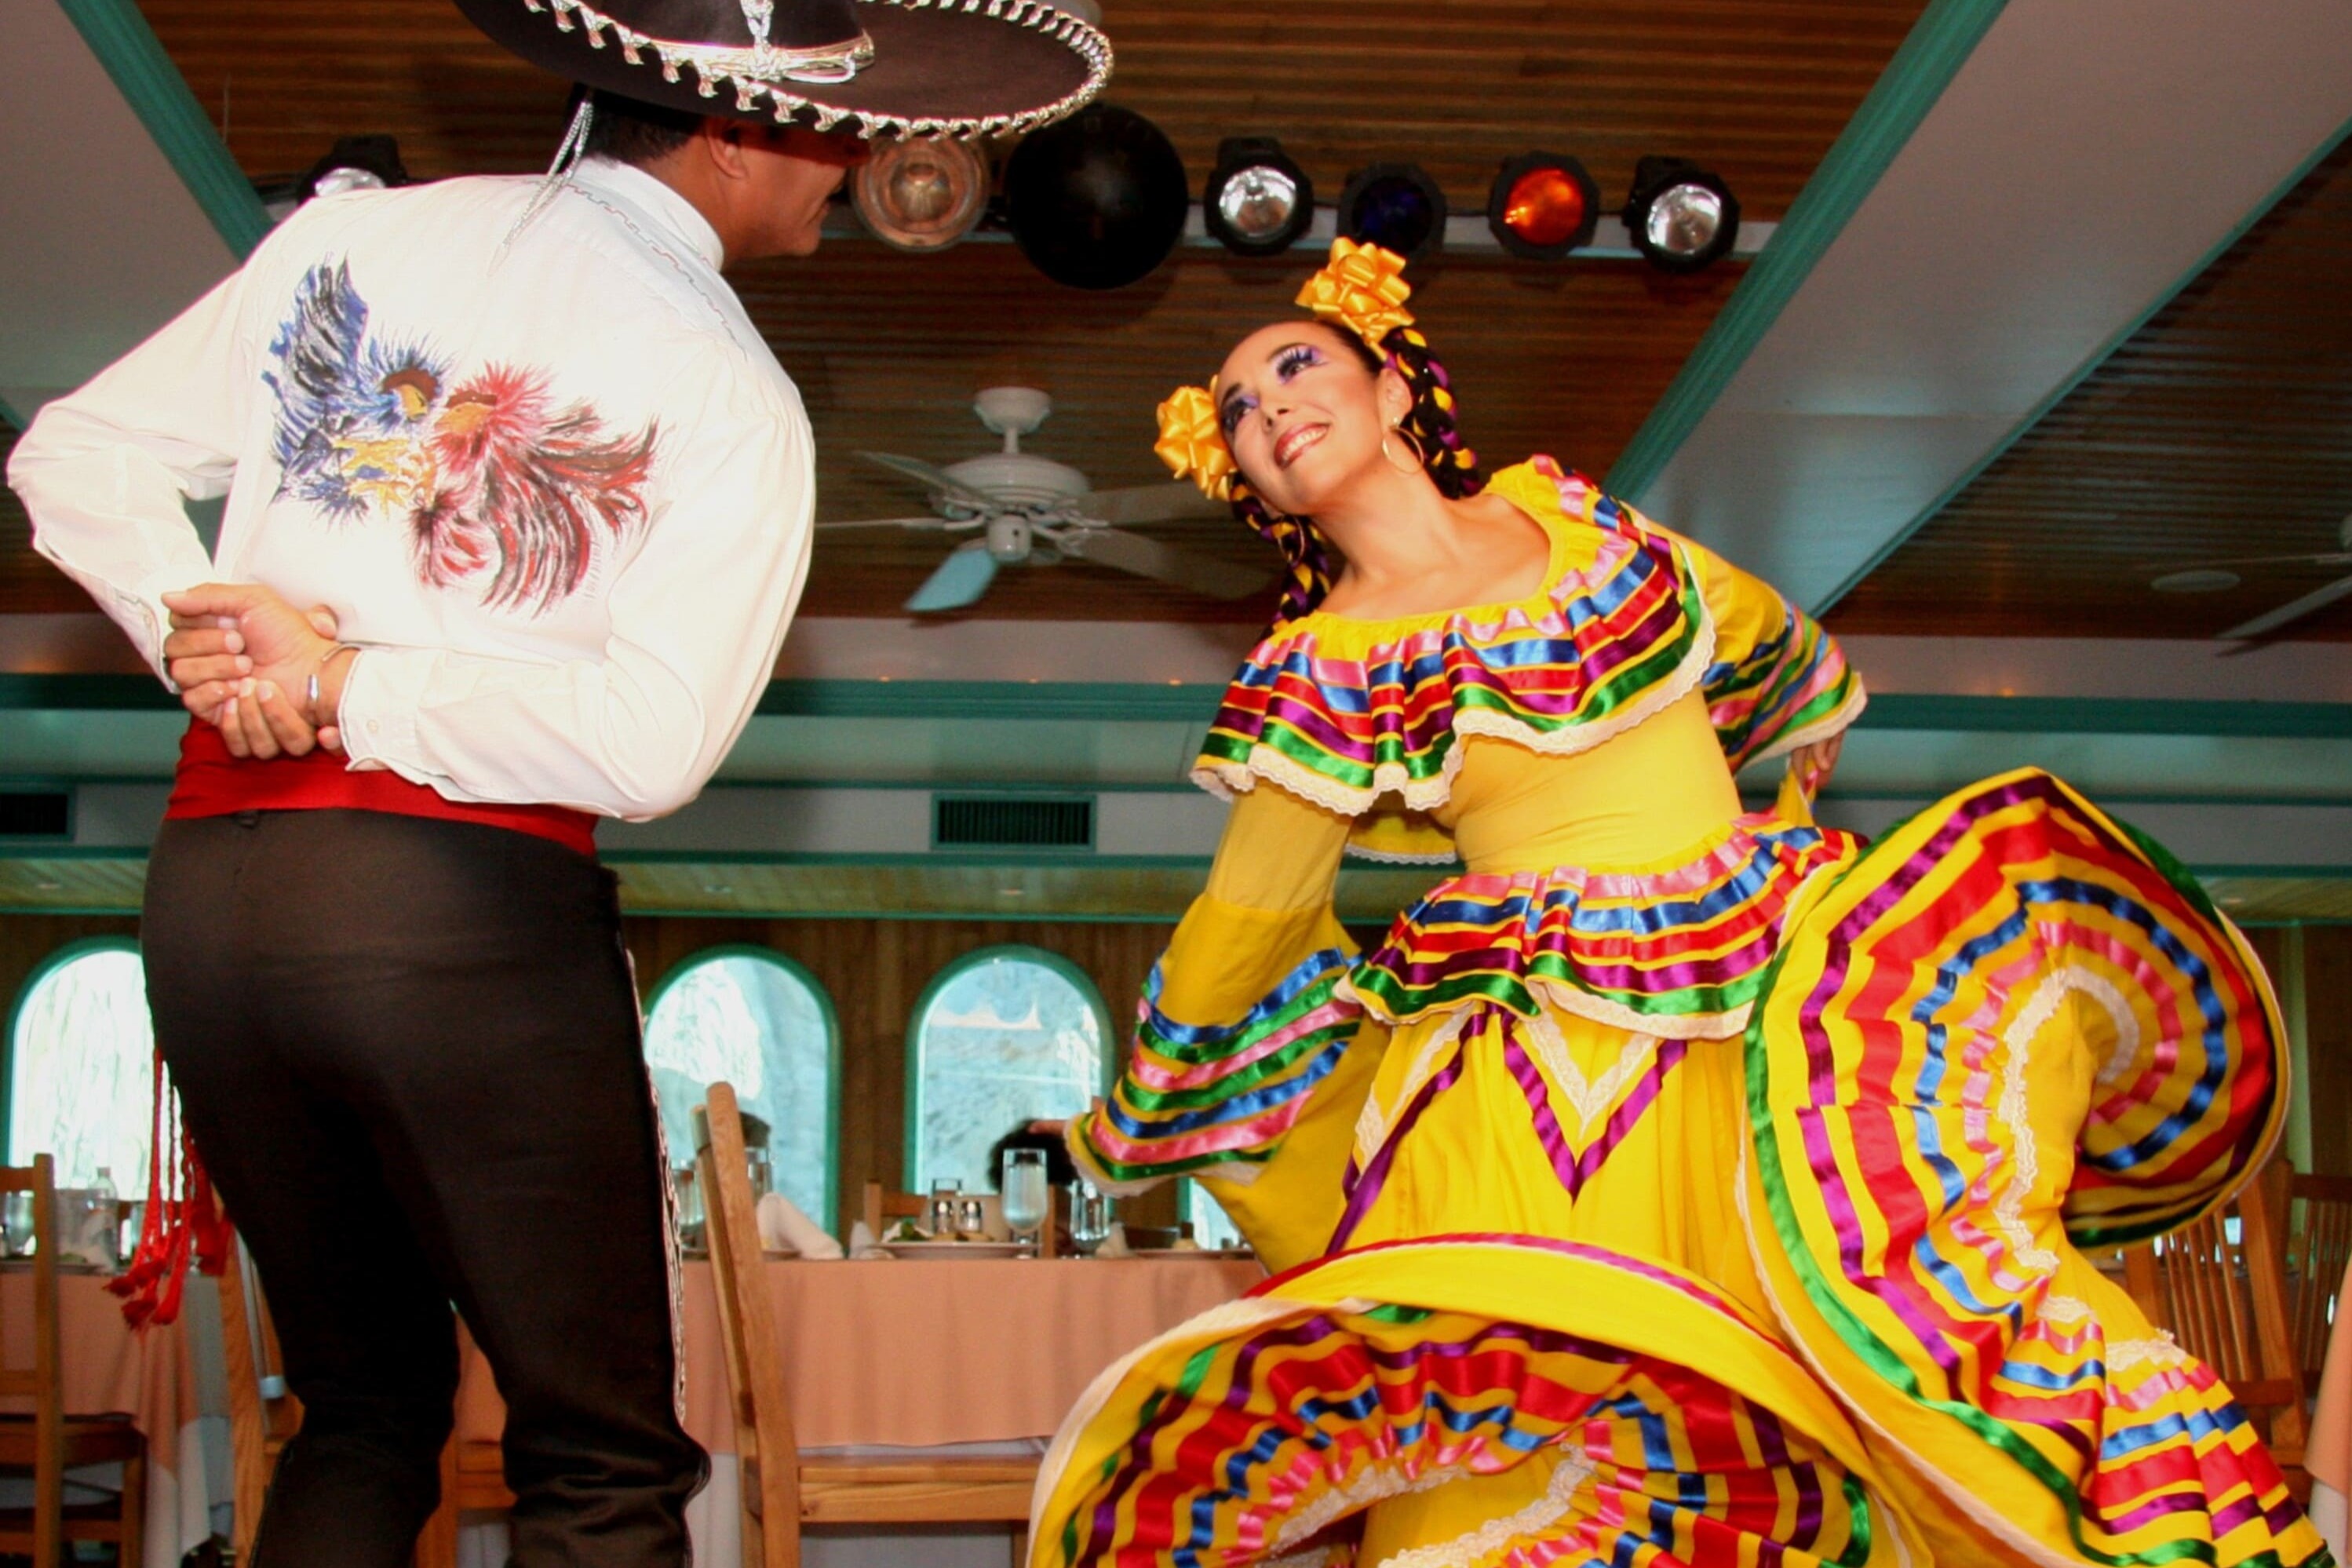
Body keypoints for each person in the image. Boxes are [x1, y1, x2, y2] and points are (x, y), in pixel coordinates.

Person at [5, 3, 1107, 1564]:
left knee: (364, 1405)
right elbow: (648, 745)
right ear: (737, 128)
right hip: (447, 912)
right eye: (839, 133)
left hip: (212, 896)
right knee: (597, 1456)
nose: (853, 169)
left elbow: (72, 454)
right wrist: (334, 684)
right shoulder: (725, 381)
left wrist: (228, 653)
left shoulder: (365, 235)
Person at [1034, 239, 2322, 1568]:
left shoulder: (1571, 518)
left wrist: (1797, 744)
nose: (1266, 410)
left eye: (1292, 365)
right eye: (1236, 409)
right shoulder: (1320, 664)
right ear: (1239, 475)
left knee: (1857, 1335)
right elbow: (1253, 904)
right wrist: (1154, 1079)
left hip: (1768, 992)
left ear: (1395, 392)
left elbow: (1746, 625)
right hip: (1529, 1056)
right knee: (1557, 1398)